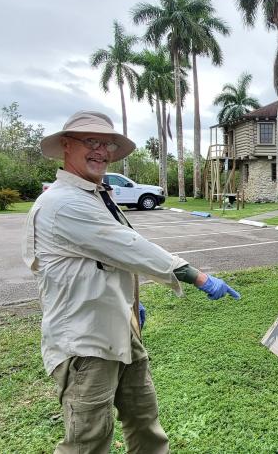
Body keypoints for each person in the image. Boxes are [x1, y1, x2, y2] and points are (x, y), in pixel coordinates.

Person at [22, 111, 241, 453]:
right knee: (88, 441)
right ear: (66, 145)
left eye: (106, 143)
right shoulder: (63, 203)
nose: (101, 150)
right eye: (90, 141)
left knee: (144, 421)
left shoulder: (94, 194)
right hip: (86, 341)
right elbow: (131, 248)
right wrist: (198, 276)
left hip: (119, 327)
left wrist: (127, 299)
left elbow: (104, 259)